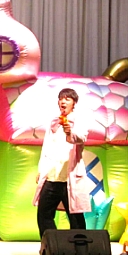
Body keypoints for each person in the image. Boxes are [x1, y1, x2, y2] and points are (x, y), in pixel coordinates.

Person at [33, 88, 91, 238]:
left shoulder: (78, 121)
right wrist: (41, 169)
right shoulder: (54, 123)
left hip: (69, 177)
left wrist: (69, 132)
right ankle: (51, 245)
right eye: (61, 98)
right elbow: (46, 148)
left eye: (67, 99)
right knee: (44, 214)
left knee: (75, 217)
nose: (63, 101)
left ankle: (80, 248)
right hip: (52, 176)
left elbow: (81, 138)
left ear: (74, 103)